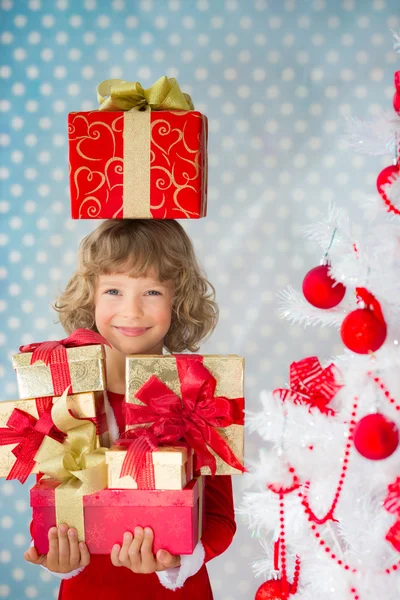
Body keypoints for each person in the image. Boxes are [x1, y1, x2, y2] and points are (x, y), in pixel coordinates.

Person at [23, 219, 236, 600]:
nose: (132, 311)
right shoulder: (66, 397)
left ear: (179, 299)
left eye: (152, 291)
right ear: (90, 296)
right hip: (89, 590)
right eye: (114, 290)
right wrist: (61, 554)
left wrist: (176, 561)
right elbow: (52, 493)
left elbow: (220, 519)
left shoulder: (197, 394)